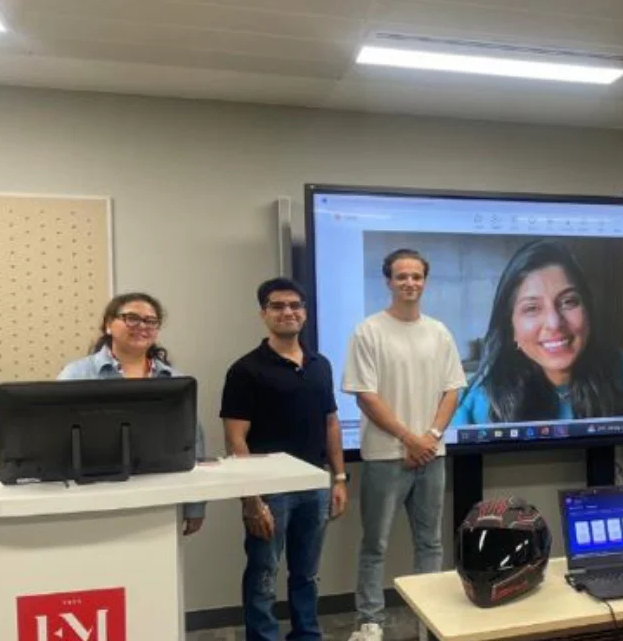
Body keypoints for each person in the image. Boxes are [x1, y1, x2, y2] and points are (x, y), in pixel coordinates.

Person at [343, 249, 467, 635]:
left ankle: (425, 621)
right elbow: (365, 395)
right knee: (375, 544)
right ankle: (370, 622)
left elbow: (452, 390)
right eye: (401, 277)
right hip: (385, 455)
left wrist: (430, 438)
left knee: (430, 544)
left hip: (432, 455)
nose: (409, 283)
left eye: (416, 276)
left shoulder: (439, 332)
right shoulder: (369, 331)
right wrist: (410, 439)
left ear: (424, 282)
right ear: (388, 282)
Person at [221, 278, 348, 641]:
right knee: (263, 574)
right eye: (277, 306)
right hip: (270, 492)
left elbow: (330, 422)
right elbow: (235, 438)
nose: (287, 312)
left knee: (307, 574)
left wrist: (339, 478)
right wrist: (251, 498)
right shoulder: (246, 370)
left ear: (304, 312)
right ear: (264, 314)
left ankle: (307, 634)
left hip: (314, 486)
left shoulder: (320, 364)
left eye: (295, 305)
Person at [452, 239, 623, 425]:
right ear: (510, 327)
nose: (554, 323)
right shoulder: (478, 403)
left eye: (568, 302)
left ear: (588, 310)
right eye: (532, 308)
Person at [57, 292, 206, 535]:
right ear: (109, 324)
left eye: (150, 321)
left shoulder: (174, 381)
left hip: (160, 502)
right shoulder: (77, 375)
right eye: (132, 318)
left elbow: (193, 445)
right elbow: (57, 439)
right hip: (91, 501)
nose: (142, 326)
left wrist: (195, 505)